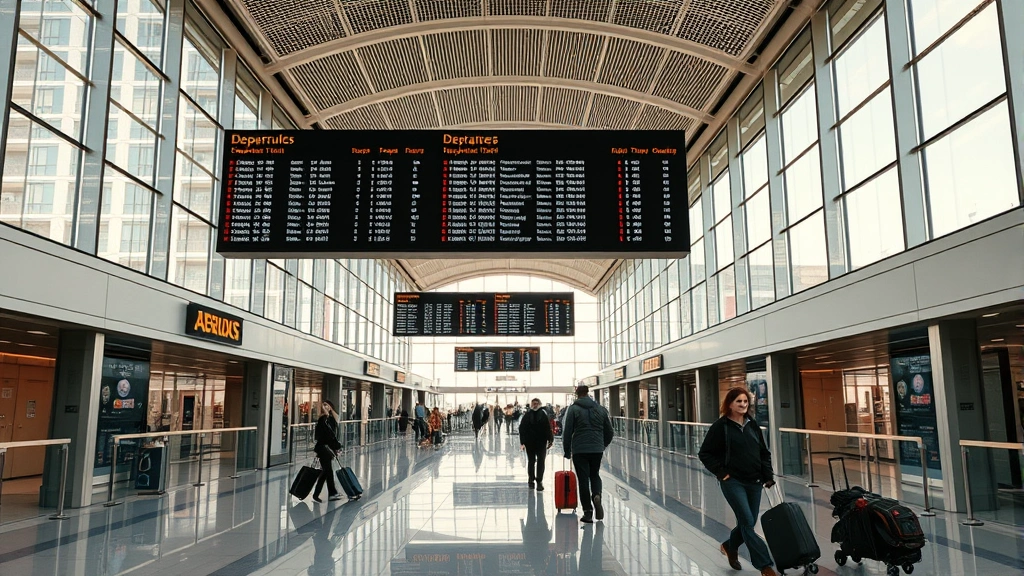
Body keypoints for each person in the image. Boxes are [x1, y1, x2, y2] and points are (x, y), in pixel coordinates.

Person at [698, 387, 777, 576]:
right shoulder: (721, 426)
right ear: (730, 404)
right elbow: (705, 453)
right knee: (747, 522)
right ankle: (765, 566)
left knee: (748, 522)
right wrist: (722, 473)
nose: (743, 404)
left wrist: (768, 475)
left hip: (754, 481)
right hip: (733, 482)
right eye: (739, 401)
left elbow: (763, 452)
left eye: (745, 401)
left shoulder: (752, 425)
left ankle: (729, 546)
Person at [562, 385, 614, 523]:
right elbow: (610, 431)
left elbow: (567, 431)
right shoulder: (600, 409)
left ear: (577, 394)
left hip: (580, 449)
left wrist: (567, 450)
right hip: (596, 449)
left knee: (583, 479)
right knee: (594, 474)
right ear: (587, 393)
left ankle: (588, 512)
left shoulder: (573, 409)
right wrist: (602, 445)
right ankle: (597, 495)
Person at [519, 397, 554, 490]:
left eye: (536, 403)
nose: (535, 405)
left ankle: (539, 480)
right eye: (533, 403)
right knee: (531, 461)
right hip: (529, 442)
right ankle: (531, 479)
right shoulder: (527, 415)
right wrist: (522, 442)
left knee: (541, 461)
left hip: (541, 442)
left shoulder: (543, 415)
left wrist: (550, 439)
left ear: (539, 404)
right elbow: (522, 429)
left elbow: (548, 428)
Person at [312, 400, 343, 503]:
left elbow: (333, 434)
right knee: (328, 471)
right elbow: (329, 435)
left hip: (327, 449)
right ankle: (332, 493)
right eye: (324, 405)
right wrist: (336, 446)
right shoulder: (323, 419)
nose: (325, 407)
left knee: (326, 471)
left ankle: (317, 494)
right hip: (323, 449)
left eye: (327, 405)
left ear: (331, 406)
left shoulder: (330, 419)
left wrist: (335, 447)